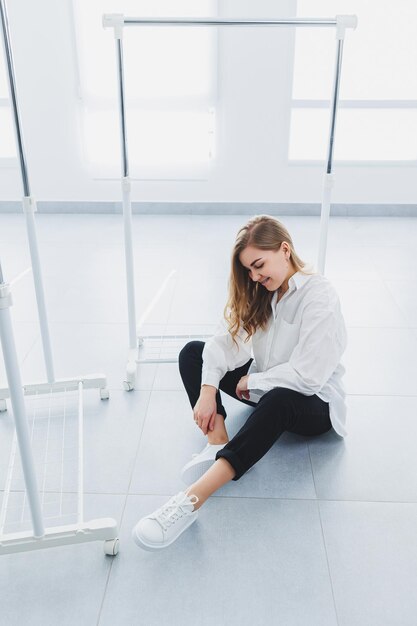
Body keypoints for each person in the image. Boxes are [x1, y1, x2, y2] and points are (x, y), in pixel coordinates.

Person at [132, 215, 347, 551]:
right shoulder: (262, 290)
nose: (255, 276)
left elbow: (308, 376)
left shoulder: (320, 296)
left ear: (285, 249)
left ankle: (191, 501)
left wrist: (253, 379)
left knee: (277, 400)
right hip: (266, 385)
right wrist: (207, 392)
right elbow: (225, 340)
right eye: (249, 270)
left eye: (259, 265)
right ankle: (219, 441)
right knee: (194, 353)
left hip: (313, 403)